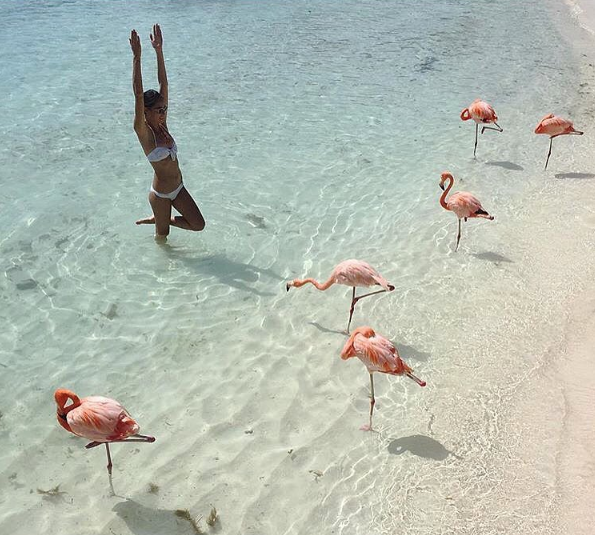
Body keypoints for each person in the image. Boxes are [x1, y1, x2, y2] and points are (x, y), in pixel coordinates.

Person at [130, 24, 205, 240]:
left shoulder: (164, 126)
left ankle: (160, 218)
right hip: (161, 195)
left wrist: (159, 51)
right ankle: (159, 218)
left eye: (165, 109)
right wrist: (137, 57)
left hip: (178, 188)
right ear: (146, 111)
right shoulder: (144, 133)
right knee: (162, 240)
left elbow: (164, 82)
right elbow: (137, 94)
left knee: (198, 225)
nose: (163, 113)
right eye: (158, 110)